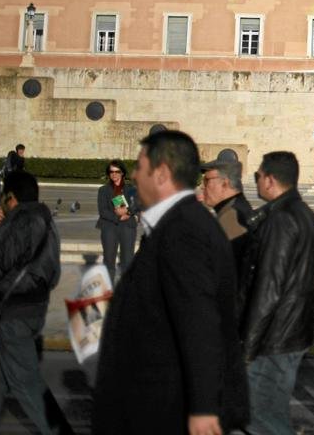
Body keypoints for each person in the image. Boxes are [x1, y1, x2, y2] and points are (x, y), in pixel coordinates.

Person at [92, 129, 248, 435]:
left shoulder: (184, 231)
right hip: (158, 400)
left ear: (161, 173)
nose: (134, 176)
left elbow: (200, 323)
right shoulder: (177, 224)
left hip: (166, 408)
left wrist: (203, 409)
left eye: (140, 167)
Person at [0, 170, 71, 434]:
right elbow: (51, 272)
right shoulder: (47, 222)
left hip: (14, 312)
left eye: (3, 197)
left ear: (10, 197)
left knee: (28, 385)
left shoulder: (21, 222)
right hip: (34, 309)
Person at [240, 151, 314, 435]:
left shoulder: (281, 219)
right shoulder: (307, 216)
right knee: (269, 413)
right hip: (293, 330)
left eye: (257, 176)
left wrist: (248, 347)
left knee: (260, 417)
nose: (257, 182)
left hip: (275, 337)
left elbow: (269, 288)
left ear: (270, 179)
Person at [199, 155, 255, 270]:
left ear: (225, 184)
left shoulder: (232, 216)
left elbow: (221, 268)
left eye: (206, 181)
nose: (202, 187)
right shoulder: (234, 209)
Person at [95, 159, 139, 283]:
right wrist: (119, 217)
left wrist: (129, 213)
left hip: (127, 227)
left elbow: (138, 205)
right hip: (109, 227)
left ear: (123, 173)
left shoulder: (131, 189)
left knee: (127, 259)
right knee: (109, 259)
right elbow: (103, 211)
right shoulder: (103, 190)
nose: (114, 174)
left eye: (117, 171)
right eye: (111, 172)